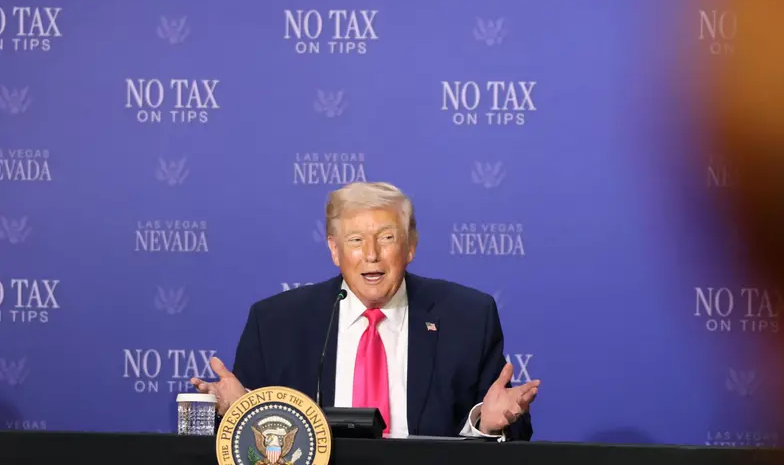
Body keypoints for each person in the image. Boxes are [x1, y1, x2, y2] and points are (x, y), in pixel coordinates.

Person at [191, 182, 539, 440]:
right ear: (334, 250)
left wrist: (485, 423)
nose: (371, 254)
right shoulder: (276, 323)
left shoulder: (467, 317)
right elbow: (244, 447)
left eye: (386, 238)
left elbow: (512, 427)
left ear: (410, 247)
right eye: (355, 240)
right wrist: (240, 413)